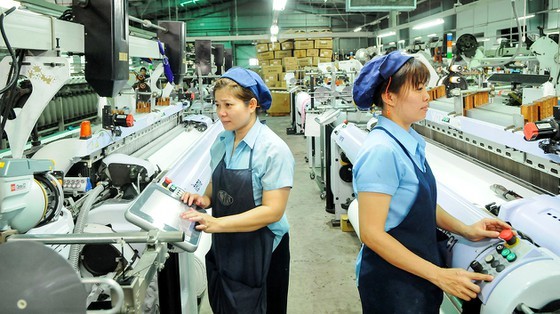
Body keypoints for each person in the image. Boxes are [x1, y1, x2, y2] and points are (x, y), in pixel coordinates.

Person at [351, 51, 513, 313]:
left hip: (415, 278)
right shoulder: (382, 151)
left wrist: (466, 229)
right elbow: (372, 234)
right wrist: (439, 275)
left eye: (425, 86)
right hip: (392, 285)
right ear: (389, 96)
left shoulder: (408, 141)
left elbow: (418, 202)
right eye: (417, 88)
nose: (427, 95)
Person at [180, 67, 294, 314]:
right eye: (217, 104)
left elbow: (272, 211)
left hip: (264, 251)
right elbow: (216, 184)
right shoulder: (222, 142)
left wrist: (216, 224)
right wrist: (204, 198)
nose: (221, 113)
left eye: (229, 105)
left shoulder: (273, 150)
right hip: (228, 246)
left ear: (252, 104)